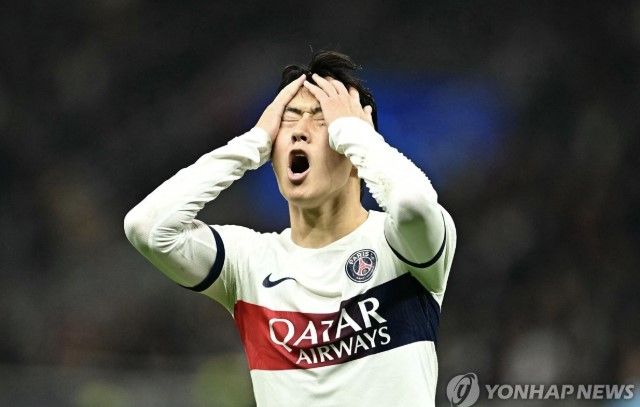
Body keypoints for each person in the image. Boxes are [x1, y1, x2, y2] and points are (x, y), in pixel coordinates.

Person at [124, 50, 456, 407]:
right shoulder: (249, 264)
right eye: (288, 119)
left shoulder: (399, 245)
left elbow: (413, 204)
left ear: (353, 147)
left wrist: (356, 134)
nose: (299, 131)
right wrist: (252, 143)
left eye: (322, 120)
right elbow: (147, 228)